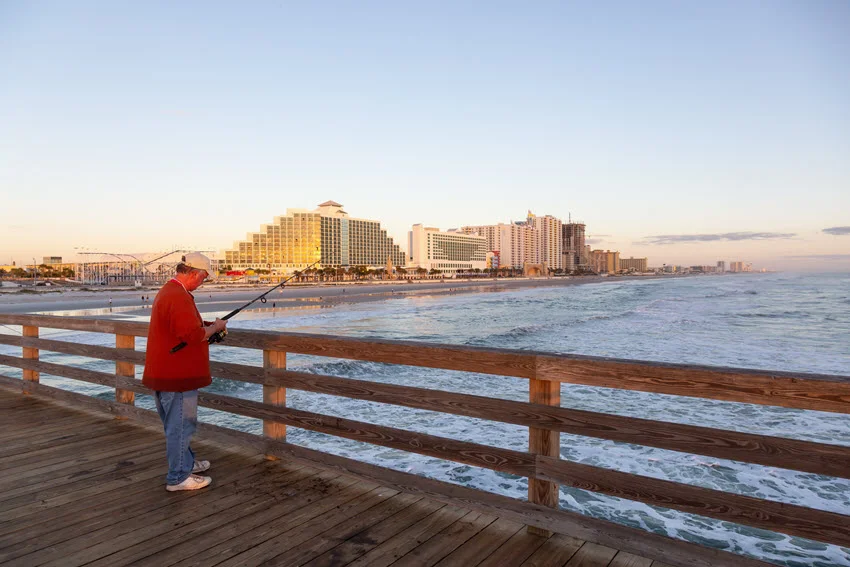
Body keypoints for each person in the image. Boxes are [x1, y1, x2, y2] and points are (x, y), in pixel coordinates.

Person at [143, 253, 226, 491]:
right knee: (181, 425)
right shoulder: (178, 296)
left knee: (175, 423)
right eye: (202, 278)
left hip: (166, 370)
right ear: (192, 273)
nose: (202, 282)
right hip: (177, 375)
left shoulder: (170, 291)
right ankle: (178, 477)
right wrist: (217, 327)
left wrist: (207, 327)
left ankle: (185, 463)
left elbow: (184, 328)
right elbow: (191, 335)